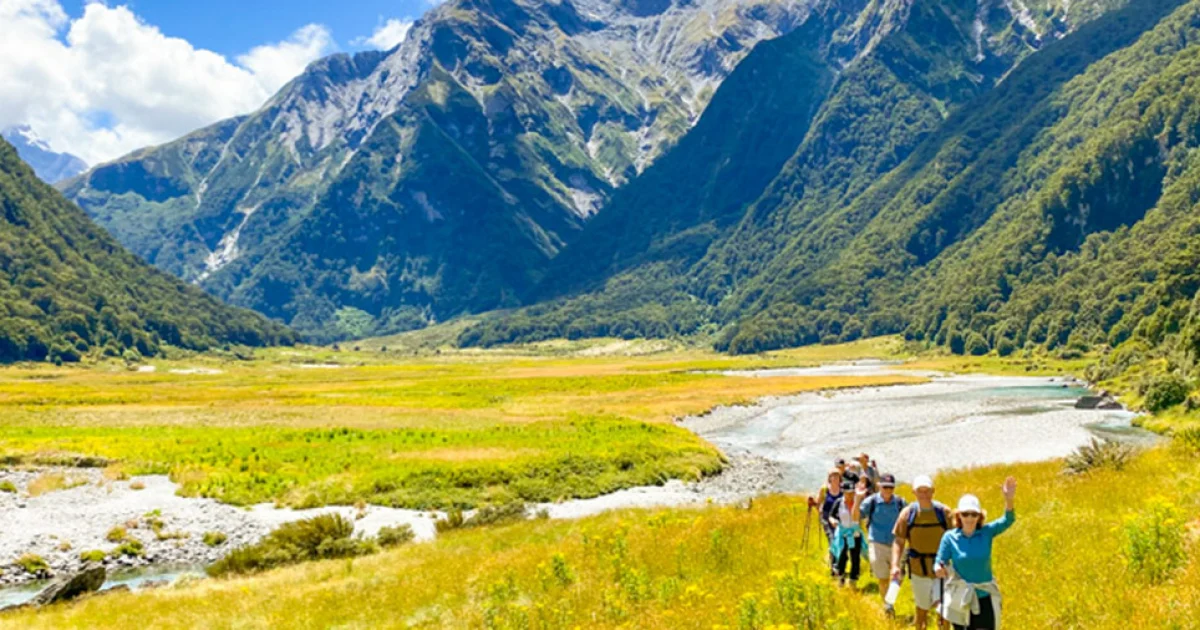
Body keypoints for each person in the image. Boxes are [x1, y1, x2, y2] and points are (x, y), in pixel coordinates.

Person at [934, 477, 1017, 630]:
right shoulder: (950, 537)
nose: (970, 518)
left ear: (980, 516)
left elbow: (1008, 520)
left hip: (985, 596)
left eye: (974, 514)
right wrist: (939, 568)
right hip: (961, 597)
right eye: (966, 514)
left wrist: (1009, 500)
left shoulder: (986, 532)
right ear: (959, 515)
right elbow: (940, 560)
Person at [892, 475, 951, 630]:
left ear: (933, 491)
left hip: (942, 569)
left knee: (944, 612)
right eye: (920, 491)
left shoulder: (944, 513)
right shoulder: (907, 513)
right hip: (918, 569)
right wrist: (895, 565)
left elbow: (957, 539)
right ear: (914, 492)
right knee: (921, 611)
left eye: (927, 490)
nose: (924, 494)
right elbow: (899, 541)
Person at [854, 473, 907, 612]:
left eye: (891, 488)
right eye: (885, 487)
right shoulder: (870, 502)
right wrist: (858, 499)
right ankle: (888, 606)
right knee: (883, 578)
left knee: (898, 577)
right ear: (879, 486)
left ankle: (889, 600)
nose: (888, 490)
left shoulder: (901, 503)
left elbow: (909, 522)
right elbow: (855, 517)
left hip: (897, 544)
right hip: (877, 543)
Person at [829, 479, 869, 587]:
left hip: (855, 533)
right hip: (843, 533)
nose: (850, 495)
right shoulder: (839, 502)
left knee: (855, 557)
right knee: (842, 556)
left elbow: (862, 516)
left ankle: (853, 580)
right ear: (843, 492)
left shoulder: (859, 502)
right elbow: (831, 515)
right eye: (848, 493)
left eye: (852, 493)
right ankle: (841, 578)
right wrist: (833, 521)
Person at [808, 468, 845, 576]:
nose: (835, 478)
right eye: (832, 476)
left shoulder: (843, 490)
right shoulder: (824, 489)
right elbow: (818, 503)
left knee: (840, 542)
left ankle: (837, 564)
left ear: (840, 478)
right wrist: (813, 503)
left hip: (840, 519)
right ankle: (834, 567)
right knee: (833, 540)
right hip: (826, 519)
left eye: (837, 476)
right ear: (829, 478)